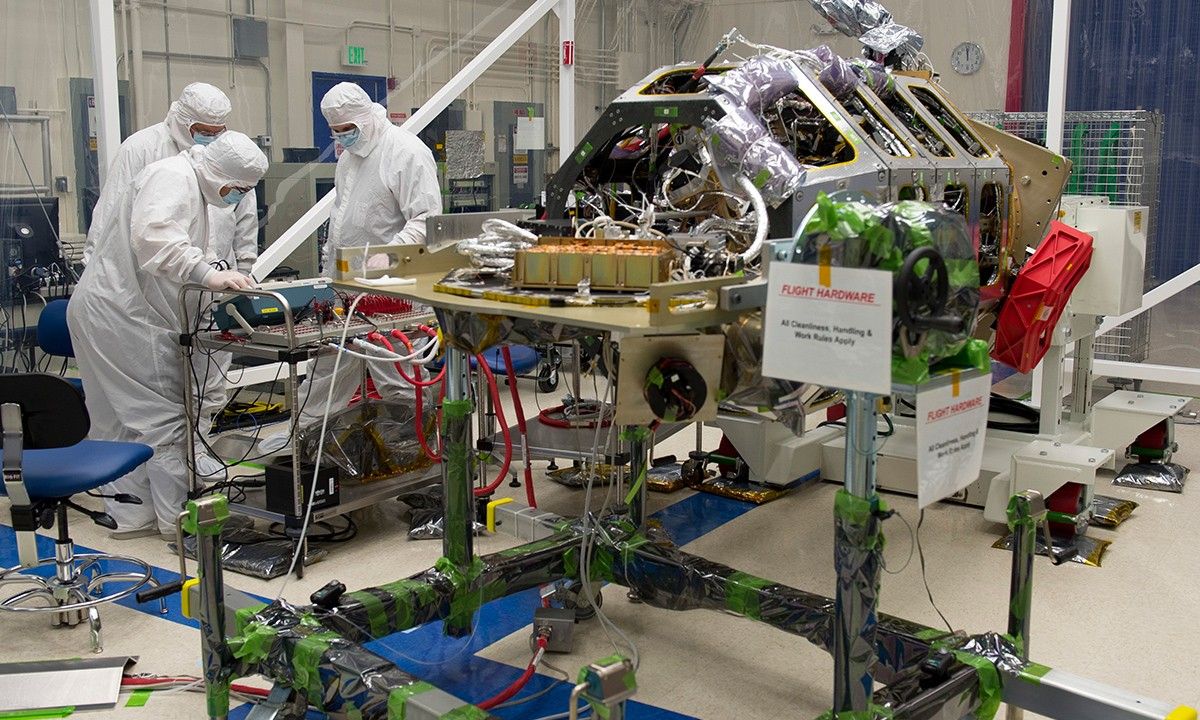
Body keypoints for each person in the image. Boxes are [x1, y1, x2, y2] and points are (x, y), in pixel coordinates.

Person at [68, 132, 269, 539]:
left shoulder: (190, 181)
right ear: (221, 175)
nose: (237, 198)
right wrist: (209, 275)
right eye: (238, 190)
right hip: (125, 317)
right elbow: (155, 238)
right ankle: (181, 523)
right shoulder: (173, 177)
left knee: (115, 422)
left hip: (103, 309)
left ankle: (132, 515)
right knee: (165, 421)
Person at [82, 82, 260, 480]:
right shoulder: (149, 155)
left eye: (218, 131)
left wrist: (241, 271)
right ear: (180, 117)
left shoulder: (229, 160)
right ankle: (136, 499)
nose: (211, 137)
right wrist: (98, 279)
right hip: (139, 299)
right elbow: (121, 223)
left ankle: (187, 466)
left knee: (201, 388)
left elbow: (242, 218)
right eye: (203, 129)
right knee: (152, 411)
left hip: (199, 292)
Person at [289, 82, 441, 434]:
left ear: (368, 117)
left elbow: (426, 221)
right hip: (344, 289)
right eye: (337, 132)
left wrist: (382, 260)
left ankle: (411, 447)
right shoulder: (348, 157)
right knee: (325, 374)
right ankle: (305, 447)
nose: (343, 138)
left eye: (349, 130)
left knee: (397, 376)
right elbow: (344, 217)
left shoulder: (405, 152)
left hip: (391, 290)